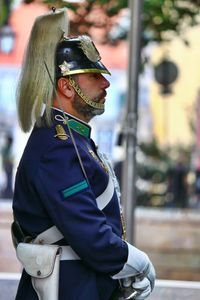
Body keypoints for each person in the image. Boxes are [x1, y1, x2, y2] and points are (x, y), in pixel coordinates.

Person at [12, 8, 155, 300]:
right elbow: (88, 232)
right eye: (94, 76)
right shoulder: (58, 148)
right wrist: (134, 262)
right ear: (66, 86)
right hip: (69, 289)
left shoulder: (70, 140)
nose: (106, 83)